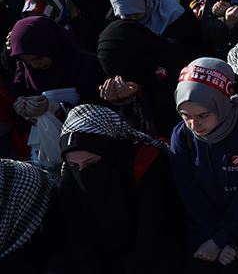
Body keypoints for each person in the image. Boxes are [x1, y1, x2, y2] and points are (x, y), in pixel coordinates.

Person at [169, 58, 238, 273]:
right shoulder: (182, 136)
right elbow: (188, 192)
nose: (194, 124)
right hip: (204, 234)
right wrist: (214, 240)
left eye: (203, 115)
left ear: (221, 102)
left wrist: (222, 239)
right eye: (186, 116)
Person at [58, 104, 183, 274]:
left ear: (111, 151)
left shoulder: (145, 164)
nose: (82, 172)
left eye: (91, 163)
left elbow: (155, 232)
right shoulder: (70, 176)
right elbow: (77, 237)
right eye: (74, 165)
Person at [107, 0, 201, 60]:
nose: (133, 20)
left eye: (136, 13)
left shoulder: (177, 17)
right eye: (126, 15)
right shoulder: (117, 19)